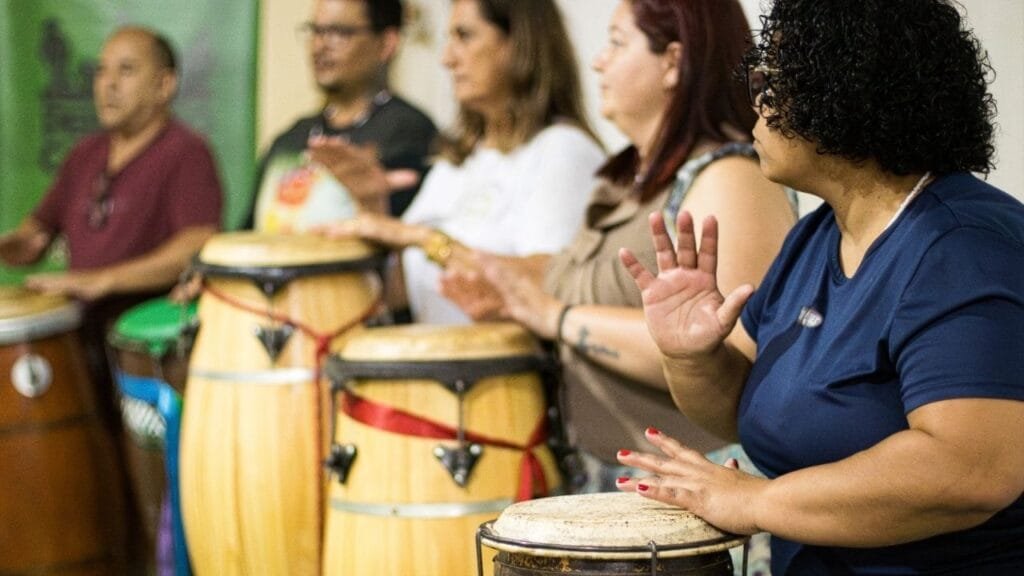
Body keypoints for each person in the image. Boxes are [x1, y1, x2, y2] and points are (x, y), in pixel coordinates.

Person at [614, 0, 1024, 573]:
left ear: (846, 93)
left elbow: (972, 469)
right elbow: (743, 412)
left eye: (774, 82)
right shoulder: (814, 236)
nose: (756, 102)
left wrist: (756, 502)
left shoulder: (961, 247)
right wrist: (691, 354)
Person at [0, 25, 223, 575]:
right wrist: (16, 245)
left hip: (146, 362)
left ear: (165, 84)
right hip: (75, 353)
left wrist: (102, 280)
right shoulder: (86, 155)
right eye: (102, 70)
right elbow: (36, 233)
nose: (108, 84)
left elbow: (197, 243)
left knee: (143, 501)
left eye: (127, 70)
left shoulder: (186, 153)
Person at [318, 0, 606, 324]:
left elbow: (551, 285)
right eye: (448, 39)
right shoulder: (459, 161)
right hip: (438, 363)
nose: (447, 58)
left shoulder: (562, 150)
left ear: (520, 44)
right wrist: (371, 204)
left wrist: (422, 238)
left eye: (465, 36)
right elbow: (402, 301)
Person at [250, 0, 437, 233]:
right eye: (316, 31)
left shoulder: (408, 132)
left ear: (387, 43)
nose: (320, 45)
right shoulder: (290, 139)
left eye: (339, 32)